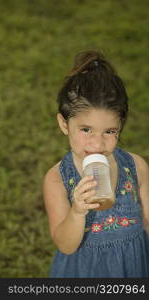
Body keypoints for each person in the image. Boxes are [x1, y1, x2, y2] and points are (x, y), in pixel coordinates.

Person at [43, 50, 149, 278]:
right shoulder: (57, 179)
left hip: (132, 268)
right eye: (86, 129)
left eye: (110, 132)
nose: (97, 143)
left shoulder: (136, 167)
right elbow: (66, 245)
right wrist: (77, 212)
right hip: (84, 272)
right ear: (64, 124)